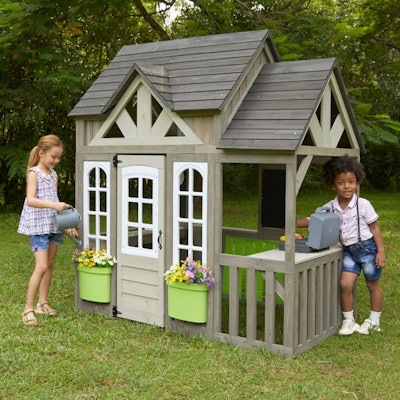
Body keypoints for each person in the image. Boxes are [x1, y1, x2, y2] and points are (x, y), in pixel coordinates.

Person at [297, 155, 386, 335]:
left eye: (351, 182)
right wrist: (293, 221)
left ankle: (374, 320)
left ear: (357, 182)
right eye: (342, 182)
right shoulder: (331, 206)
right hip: (349, 251)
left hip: (367, 249)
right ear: (333, 185)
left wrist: (381, 252)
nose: (347, 186)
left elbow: (375, 229)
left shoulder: (363, 204)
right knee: (345, 284)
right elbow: (314, 219)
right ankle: (348, 320)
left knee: (372, 284)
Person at [18, 134, 78, 325]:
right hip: (38, 226)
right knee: (42, 266)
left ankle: (42, 303)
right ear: (42, 153)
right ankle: (28, 309)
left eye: (59, 157)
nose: (56, 161)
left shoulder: (53, 175)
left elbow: (54, 199)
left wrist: (67, 224)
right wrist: (55, 206)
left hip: (52, 225)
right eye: (53, 157)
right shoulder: (34, 173)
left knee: (49, 265)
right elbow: (31, 200)